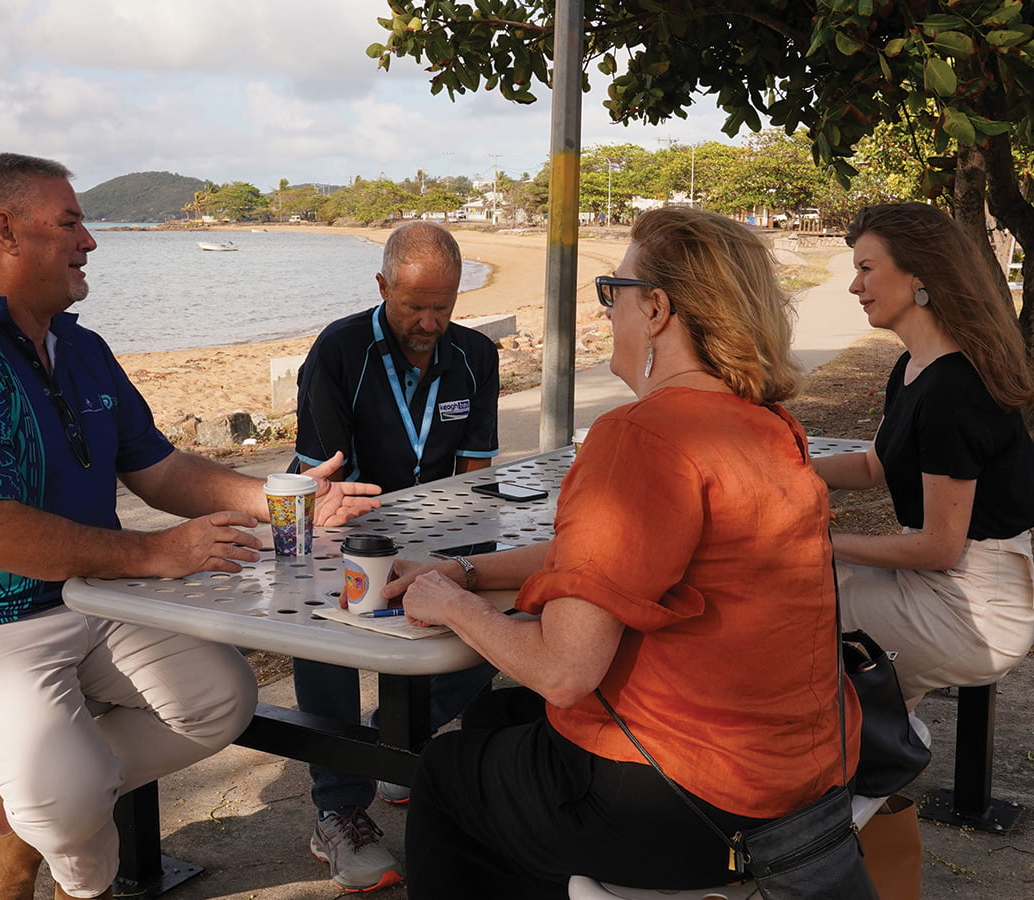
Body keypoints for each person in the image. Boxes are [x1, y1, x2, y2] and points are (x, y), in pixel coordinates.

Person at [0, 152, 380, 900]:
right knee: (64, 799)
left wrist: (279, 497)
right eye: (70, 222)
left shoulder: (84, 349)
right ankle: (54, 834)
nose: (90, 241)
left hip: (84, 597)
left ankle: (22, 809)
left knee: (221, 697)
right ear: (5, 231)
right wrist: (155, 553)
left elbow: (160, 469)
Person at [383, 207, 861, 898]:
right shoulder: (769, 425)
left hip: (700, 803)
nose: (608, 310)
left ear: (658, 309)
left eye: (614, 290)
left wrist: (452, 605)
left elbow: (565, 671)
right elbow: (605, 556)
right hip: (806, 774)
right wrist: (464, 570)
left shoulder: (640, 435)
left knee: (449, 773)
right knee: (496, 719)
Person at [290, 220, 500, 891]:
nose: (430, 322)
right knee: (322, 631)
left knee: (501, 627)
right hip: (347, 528)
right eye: (414, 306)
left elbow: (475, 474)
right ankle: (338, 811)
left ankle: (393, 741)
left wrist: (471, 566)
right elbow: (322, 480)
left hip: (439, 535)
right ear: (382, 287)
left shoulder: (475, 356)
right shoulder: (339, 351)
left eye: (443, 306)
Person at [811, 202, 1034, 710]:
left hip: (974, 610)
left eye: (866, 269)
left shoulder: (953, 389)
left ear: (920, 276)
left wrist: (816, 541)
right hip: (934, 584)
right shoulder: (914, 367)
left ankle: (868, 767)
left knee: (790, 604)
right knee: (796, 586)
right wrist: (776, 471)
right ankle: (873, 762)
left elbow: (939, 547)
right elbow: (873, 467)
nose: (854, 287)